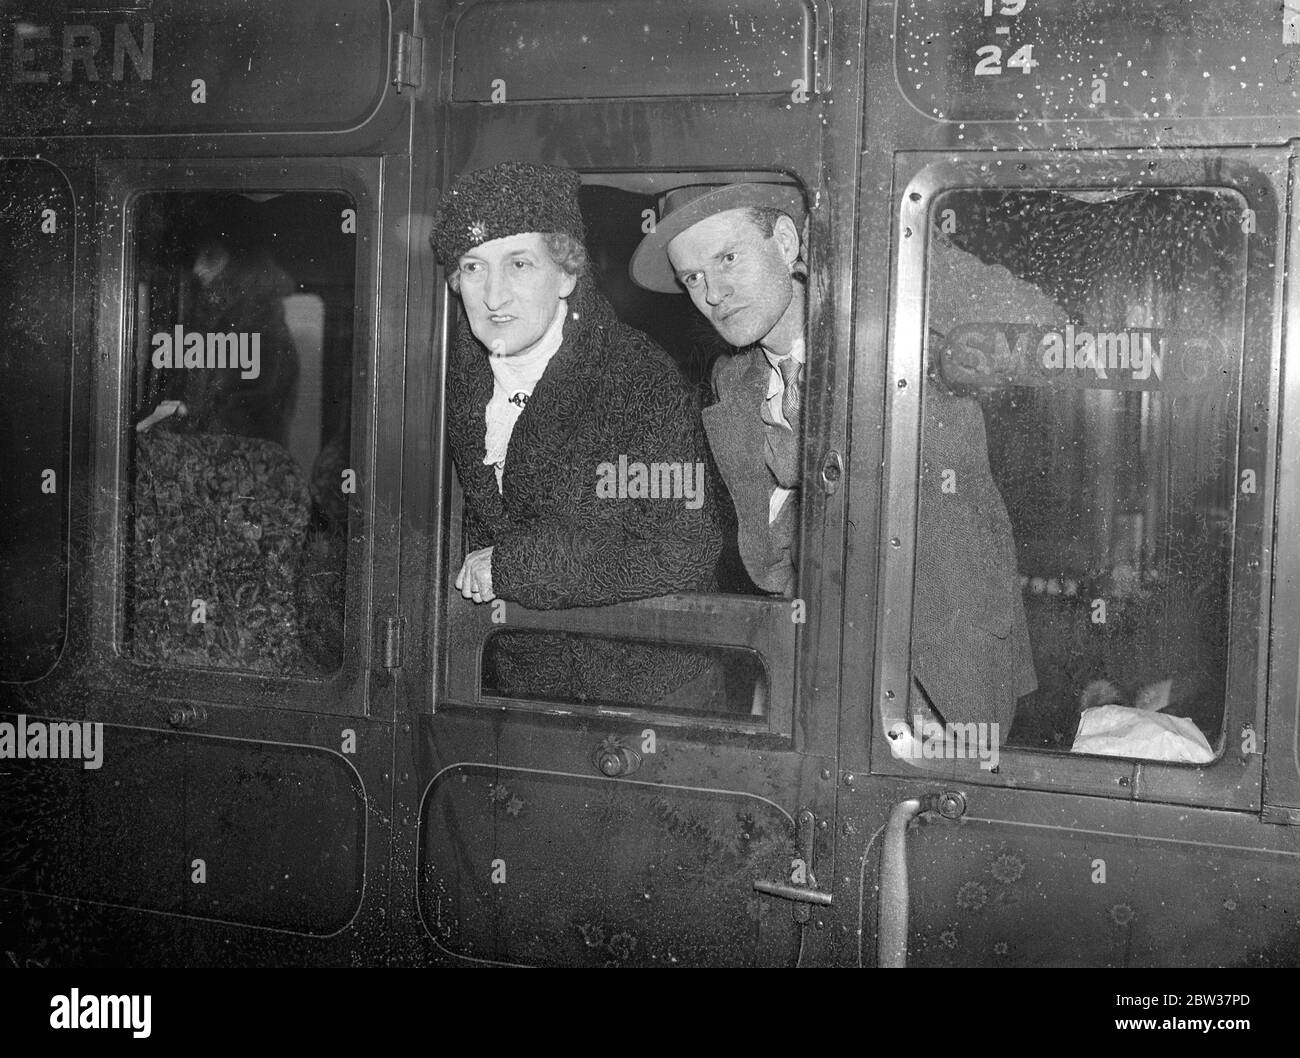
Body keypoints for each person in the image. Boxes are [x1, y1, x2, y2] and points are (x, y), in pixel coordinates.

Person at [630, 182, 1036, 736]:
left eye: (727, 258)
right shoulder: (735, 383)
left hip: (942, 666)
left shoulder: (903, 335)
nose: (713, 293)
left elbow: (1035, 324)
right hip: (814, 668)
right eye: (693, 278)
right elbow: (769, 559)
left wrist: (891, 247)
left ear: (786, 240)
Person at [431, 161, 724, 709]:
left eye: (519, 264)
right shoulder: (452, 381)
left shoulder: (636, 378)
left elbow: (685, 550)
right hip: (514, 694)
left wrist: (516, 566)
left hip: (651, 696)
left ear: (566, 274)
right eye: (473, 267)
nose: (494, 296)